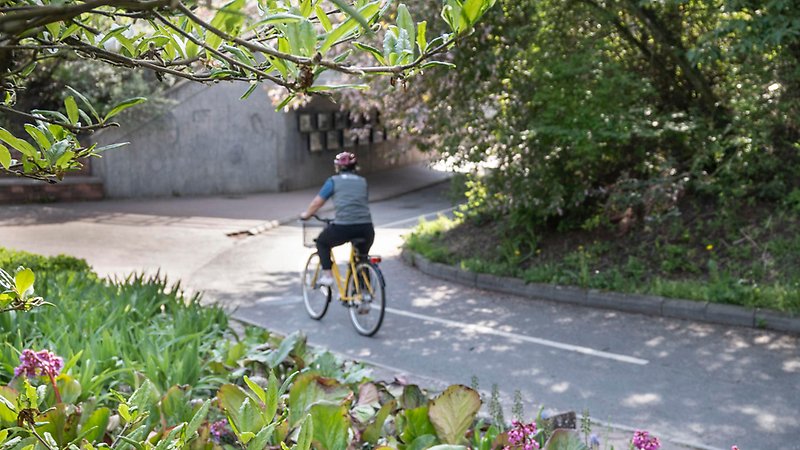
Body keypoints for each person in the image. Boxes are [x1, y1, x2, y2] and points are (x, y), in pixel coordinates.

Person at [300, 152, 374, 285]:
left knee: (322, 242)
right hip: (366, 228)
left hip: (344, 227)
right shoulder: (363, 182)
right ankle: (364, 294)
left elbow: (317, 203)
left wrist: (307, 214)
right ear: (354, 167)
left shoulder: (333, 181)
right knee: (361, 258)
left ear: (338, 168)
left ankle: (327, 276)